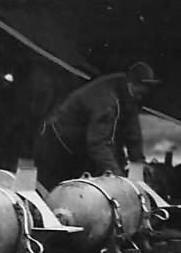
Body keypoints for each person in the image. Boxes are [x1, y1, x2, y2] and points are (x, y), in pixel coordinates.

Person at [32, 61, 161, 191]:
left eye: (143, 95)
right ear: (131, 83)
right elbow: (98, 143)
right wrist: (119, 179)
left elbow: (133, 134)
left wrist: (138, 168)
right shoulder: (106, 100)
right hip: (57, 147)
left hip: (81, 147)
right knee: (57, 195)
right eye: (139, 93)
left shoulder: (129, 94)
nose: (140, 97)